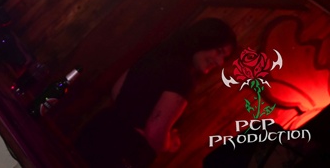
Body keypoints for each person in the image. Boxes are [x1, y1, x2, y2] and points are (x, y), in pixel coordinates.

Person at [76, 17, 237, 167]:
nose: (220, 62)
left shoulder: (161, 52)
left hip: (99, 129)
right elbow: (154, 133)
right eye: (219, 51)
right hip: (123, 150)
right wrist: (169, 143)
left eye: (224, 57)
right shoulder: (183, 78)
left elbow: (117, 89)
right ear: (204, 39)